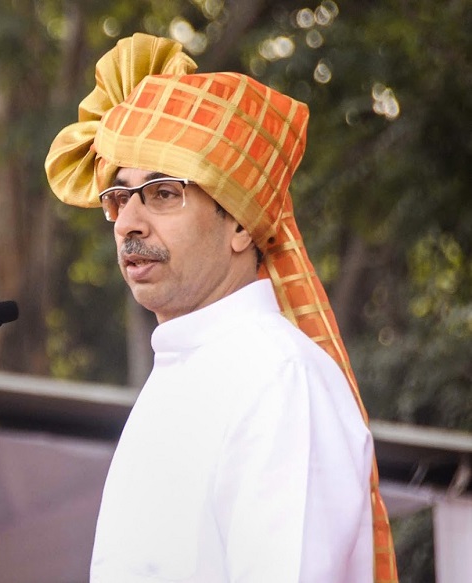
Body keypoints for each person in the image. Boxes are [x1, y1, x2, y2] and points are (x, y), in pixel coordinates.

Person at [44, 34, 397, 582]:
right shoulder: (189, 371)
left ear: (238, 222)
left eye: (163, 193)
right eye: (119, 197)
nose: (131, 223)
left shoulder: (277, 379)